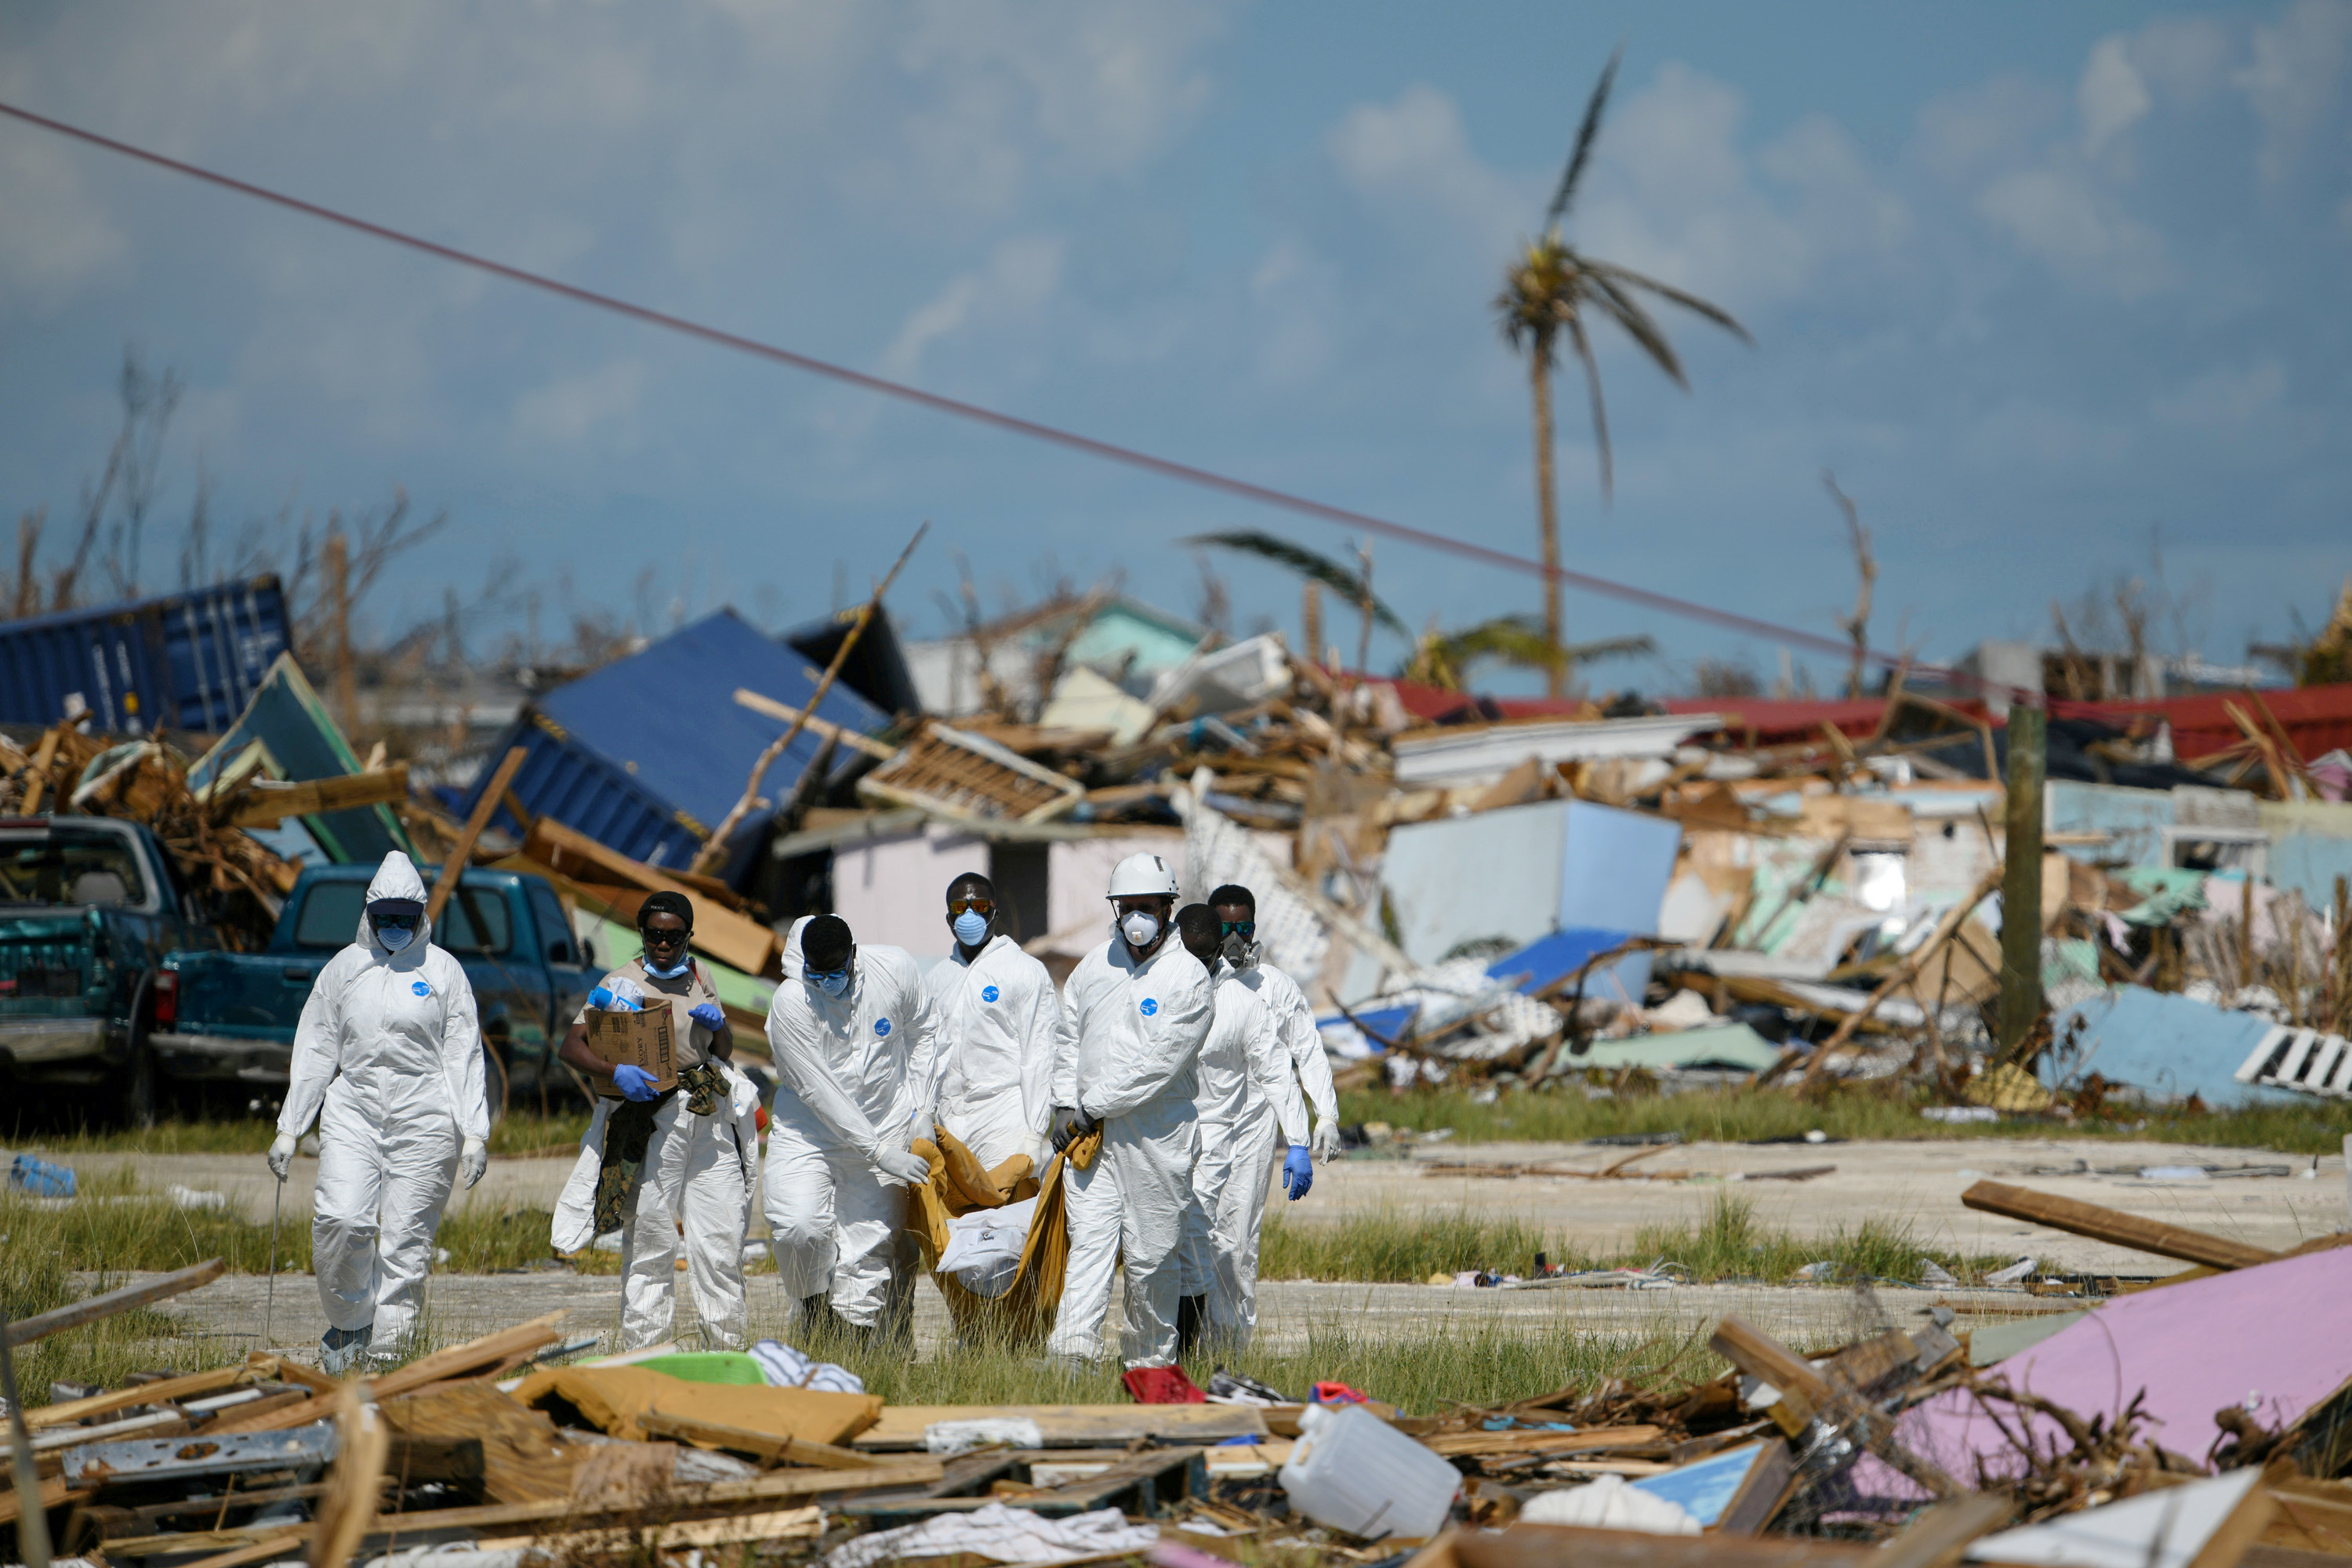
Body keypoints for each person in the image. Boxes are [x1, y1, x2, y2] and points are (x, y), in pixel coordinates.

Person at [267, 852, 489, 1373]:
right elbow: (317, 1046)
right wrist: (290, 1128)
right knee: (341, 1220)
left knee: (405, 1243)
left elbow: (463, 1053)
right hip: (355, 1109)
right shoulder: (344, 970)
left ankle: (391, 1361)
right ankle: (349, 1327)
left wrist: (475, 1132)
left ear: (421, 917)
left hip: (426, 1116)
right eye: (385, 917)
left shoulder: (443, 973)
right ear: (369, 913)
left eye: (404, 919)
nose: (394, 928)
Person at [555, 891, 757, 1350]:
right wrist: (614, 1073)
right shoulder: (620, 983)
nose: (663, 944)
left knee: (720, 1242)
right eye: (654, 934)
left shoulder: (700, 976)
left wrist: (720, 1024)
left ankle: (727, 1352)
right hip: (652, 1117)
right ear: (642, 935)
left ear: (689, 935)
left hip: (707, 1118)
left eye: (674, 935)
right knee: (651, 1238)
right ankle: (645, 1352)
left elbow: (721, 1051)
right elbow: (571, 1046)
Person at [1044, 852, 1214, 1368]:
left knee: (1151, 1257)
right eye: (1128, 906)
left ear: (1168, 908)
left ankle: (1148, 1362)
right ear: (1115, 909)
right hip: (1092, 1139)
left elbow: (1156, 1065)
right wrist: (1062, 1101)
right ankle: (1072, 1354)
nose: (1137, 917)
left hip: (1156, 1137)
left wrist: (1089, 1106)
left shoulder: (1189, 978)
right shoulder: (1097, 965)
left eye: (1148, 906)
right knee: (1089, 1245)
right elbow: (1067, 1035)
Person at [764, 913, 936, 1341]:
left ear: (854, 954)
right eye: (816, 973)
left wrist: (924, 1111)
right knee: (798, 1226)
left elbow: (924, 1033)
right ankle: (815, 1310)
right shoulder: (790, 1002)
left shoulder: (894, 970)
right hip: (811, 1130)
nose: (827, 981)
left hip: (887, 1119)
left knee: (871, 1244)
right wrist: (877, 1151)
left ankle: (850, 1348)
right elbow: (820, 1091)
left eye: (836, 970)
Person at [1174, 903, 1311, 1351]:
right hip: (1157, 1139)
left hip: (1219, 1142)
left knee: (1217, 1246)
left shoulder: (1242, 1003)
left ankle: (1206, 1350)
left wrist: (1299, 1138)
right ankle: (1150, 1353)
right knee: (1153, 1250)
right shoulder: (1151, 990)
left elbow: (1280, 1069)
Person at [925, 872, 1069, 1171]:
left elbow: (1039, 1054)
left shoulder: (1022, 970)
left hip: (1004, 1120)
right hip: (949, 1122)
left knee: (1002, 1216)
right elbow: (926, 1055)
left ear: (994, 913)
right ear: (948, 918)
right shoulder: (937, 979)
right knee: (953, 1217)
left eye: (978, 907)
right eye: (958, 908)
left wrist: (1033, 1131)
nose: (968, 915)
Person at [1208, 884, 1343, 1162]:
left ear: (1254, 930)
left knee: (1243, 1207)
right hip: (1202, 1122)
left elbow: (1308, 1050)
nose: (1235, 938)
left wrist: (1327, 1115)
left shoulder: (1274, 986)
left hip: (1255, 1127)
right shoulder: (1194, 983)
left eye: (1243, 929)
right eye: (1224, 929)